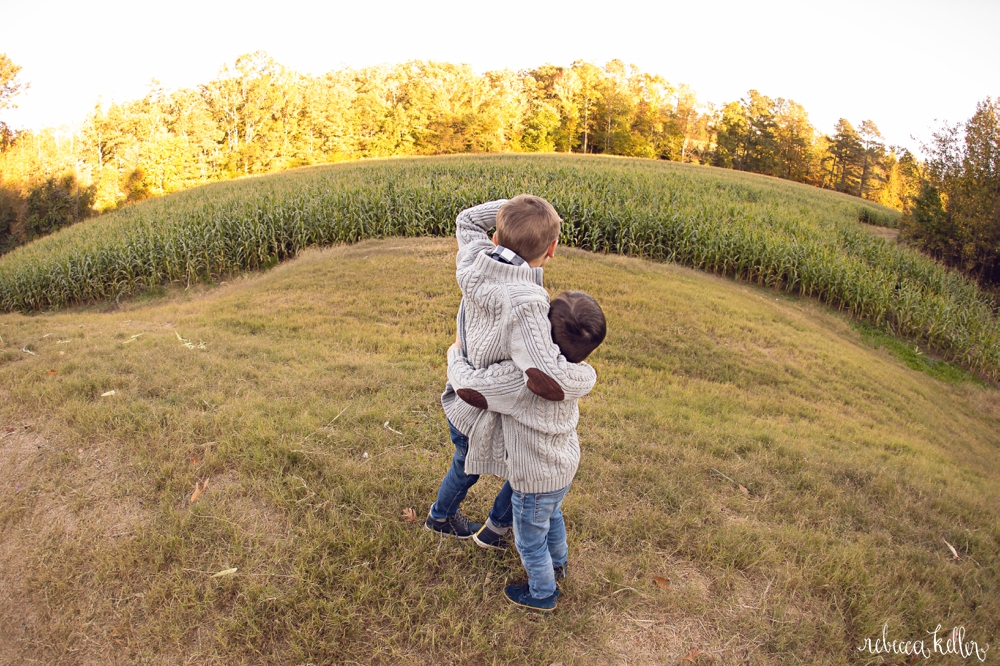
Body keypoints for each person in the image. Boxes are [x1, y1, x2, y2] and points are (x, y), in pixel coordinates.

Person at [426, 195, 594, 547]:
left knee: (469, 462)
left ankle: (459, 521)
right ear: (552, 248)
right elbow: (549, 376)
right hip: (483, 403)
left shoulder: (474, 259)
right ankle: (460, 522)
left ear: (497, 238)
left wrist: (515, 208)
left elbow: (467, 219)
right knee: (519, 468)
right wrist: (588, 376)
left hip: (464, 399)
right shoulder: (527, 302)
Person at [447, 290, 606, 612]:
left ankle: (542, 593)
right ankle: (559, 564)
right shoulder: (580, 374)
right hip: (563, 466)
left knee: (530, 539)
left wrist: (455, 354)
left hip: (534, 477)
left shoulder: (523, 382)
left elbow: (470, 388)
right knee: (552, 516)